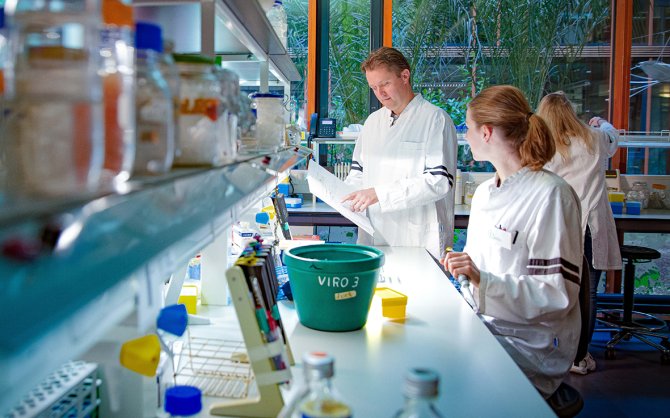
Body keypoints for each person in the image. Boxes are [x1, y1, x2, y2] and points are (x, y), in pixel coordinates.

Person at [442, 85, 583, 398]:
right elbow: (479, 267)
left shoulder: (551, 195)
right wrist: (461, 271)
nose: (465, 136)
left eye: (468, 128)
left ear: (488, 132)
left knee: (435, 375)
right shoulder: (484, 193)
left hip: (530, 345)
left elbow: (556, 296)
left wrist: (481, 278)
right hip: (484, 324)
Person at [342, 46, 457, 258]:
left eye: (385, 84)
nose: (380, 94)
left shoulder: (435, 119)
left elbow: (438, 181)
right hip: (375, 234)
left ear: (405, 76)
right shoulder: (373, 123)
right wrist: (345, 197)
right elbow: (359, 173)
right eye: (374, 87)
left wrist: (379, 194)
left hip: (417, 238)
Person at [537, 92, 623, 375]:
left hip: (558, 223)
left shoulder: (543, 144)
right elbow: (613, 138)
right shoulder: (594, 138)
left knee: (555, 286)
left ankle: (552, 349)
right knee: (588, 292)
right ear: (571, 112)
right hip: (589, 224)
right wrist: (602, 123)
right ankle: (580, 358)